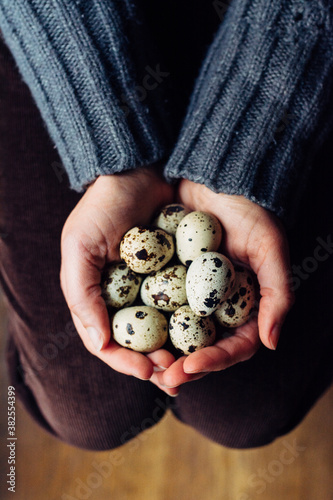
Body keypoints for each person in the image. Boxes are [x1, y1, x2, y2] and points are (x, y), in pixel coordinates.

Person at [0, 0, 332, 450]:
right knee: (91, 415)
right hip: (52, 21)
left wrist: (244, 153)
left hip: (279, 22)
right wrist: (114, 159)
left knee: (247, 412)